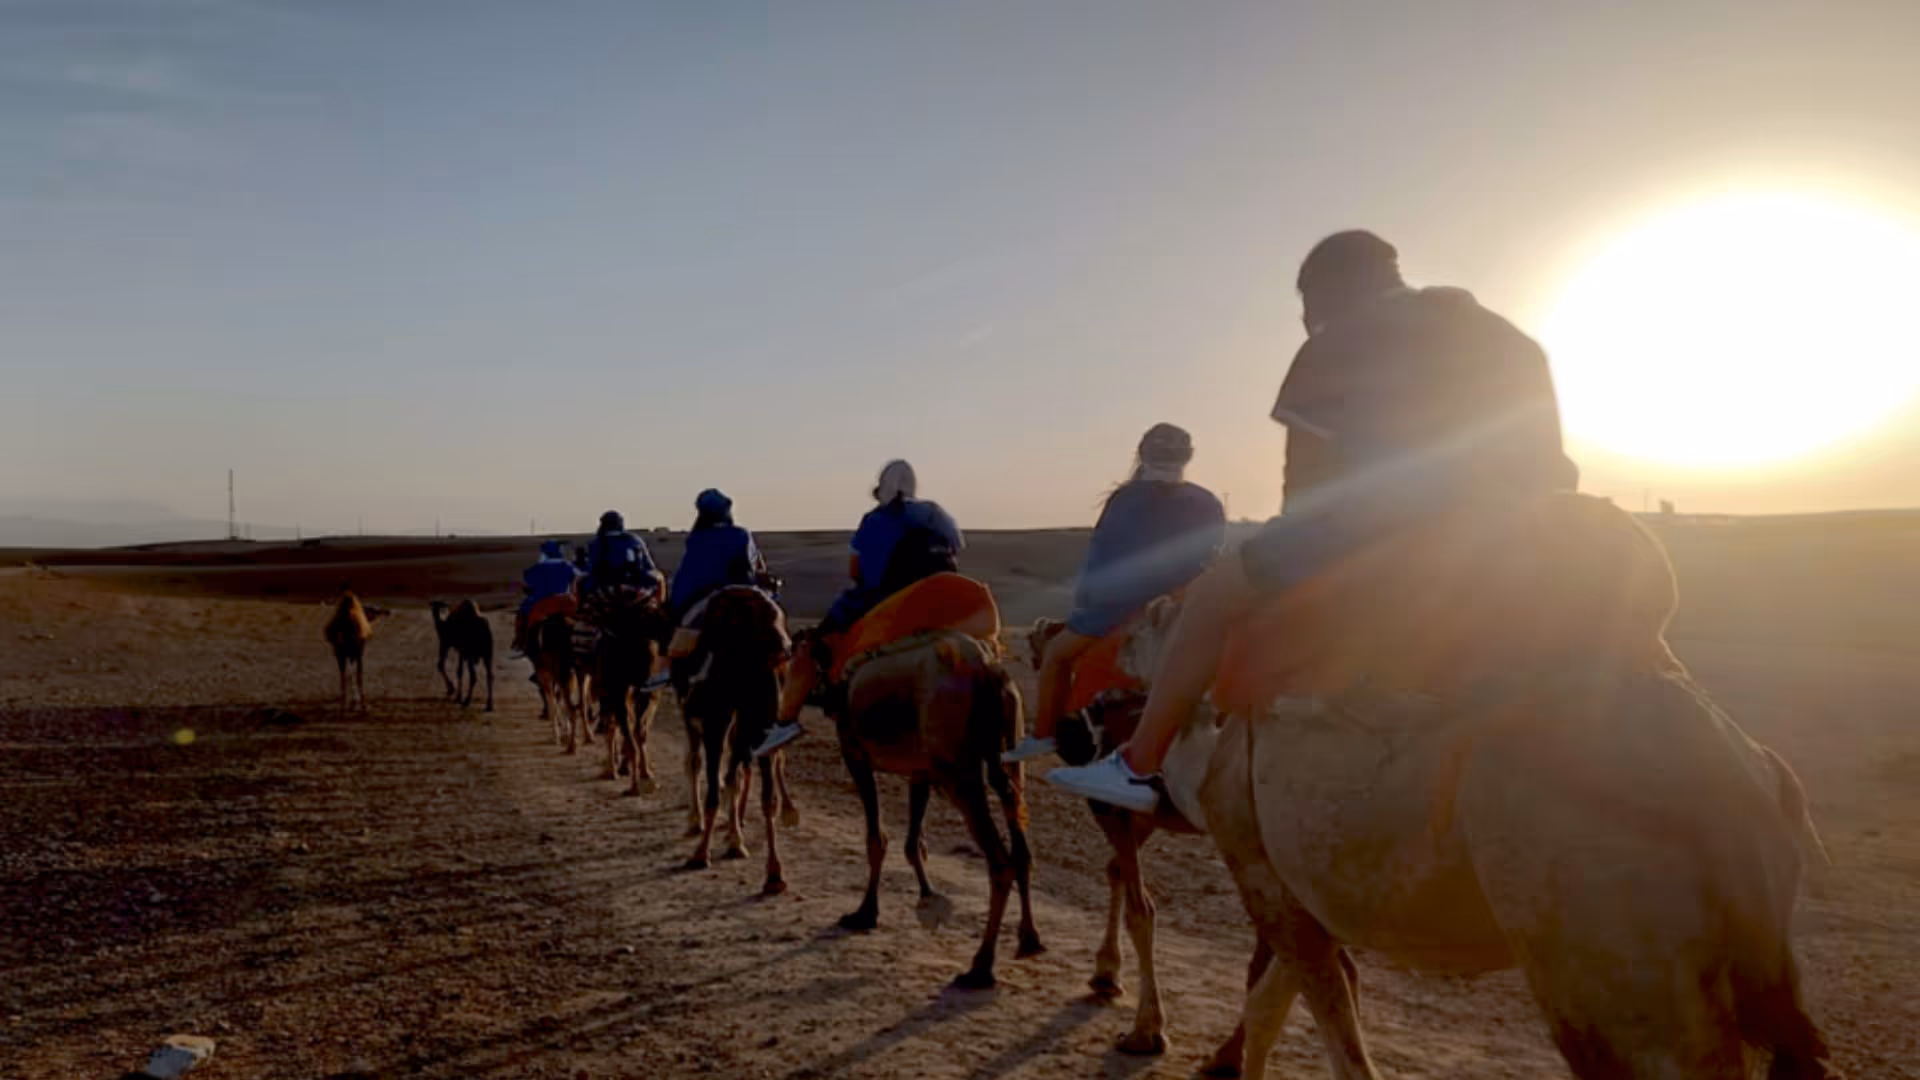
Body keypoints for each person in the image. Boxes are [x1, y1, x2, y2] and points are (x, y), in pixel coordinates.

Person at [1046, 230, 1580, 812]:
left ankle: (1139, 761)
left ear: (1322, 290)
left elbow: (1305, 492)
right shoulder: (1510, 338)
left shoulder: (1341, 339)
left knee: (1211, 597)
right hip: (1529, 532)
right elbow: (1553, 465)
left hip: (1390, 531)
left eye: (1305, 304)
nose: (1306, 318)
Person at [1002, 424, 1225, 764]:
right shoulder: (1207, 500)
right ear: (1187, 457)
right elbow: (1212, 555)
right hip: (1184, 605)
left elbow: (1105, 558)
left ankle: (1043, 735)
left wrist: (1087, 599)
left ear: (1142, 453)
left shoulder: (1127, 498)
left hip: (1120, 607)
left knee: (1056, 656)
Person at [752, 459, 963, 757]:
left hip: (884, 602)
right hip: (941, 603)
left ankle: (786, 721)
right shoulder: (938, 516)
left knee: (809, 649)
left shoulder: (876, 520)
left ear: (882, 491)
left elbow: (857, 571)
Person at [644, 489, 772, 689]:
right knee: (771, 618)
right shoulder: (741, 535)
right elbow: (752, 565)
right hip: (743, 592)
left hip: (700, 596)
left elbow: (688, 577)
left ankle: (664, 668)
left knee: (668, 622)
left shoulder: (697, 538)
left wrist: (674, 604)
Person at [511, 539, 582, 658]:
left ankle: (521, 641)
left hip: (543, 603)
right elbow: (578, 577)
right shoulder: (567, 565)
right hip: (566, 601)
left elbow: (528, 581)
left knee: (523, 613)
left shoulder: (539, 567)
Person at [582, 510, 662, 597]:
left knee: (580, 581)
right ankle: (663, 606)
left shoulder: (596, 543)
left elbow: (592, 566)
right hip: (634, 583)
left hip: (603, 585)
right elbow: (649, 566)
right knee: (659, 578)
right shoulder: (634, 540)